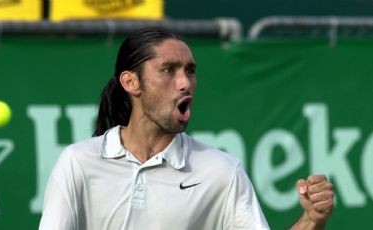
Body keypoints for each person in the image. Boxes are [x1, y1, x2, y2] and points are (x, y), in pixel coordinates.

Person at [39, 28, 334, 230]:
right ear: (131, 82)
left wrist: (311, 220)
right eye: (169, 70)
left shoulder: (222, 171)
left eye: (190, 71)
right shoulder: (78, 162)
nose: (185, 83)